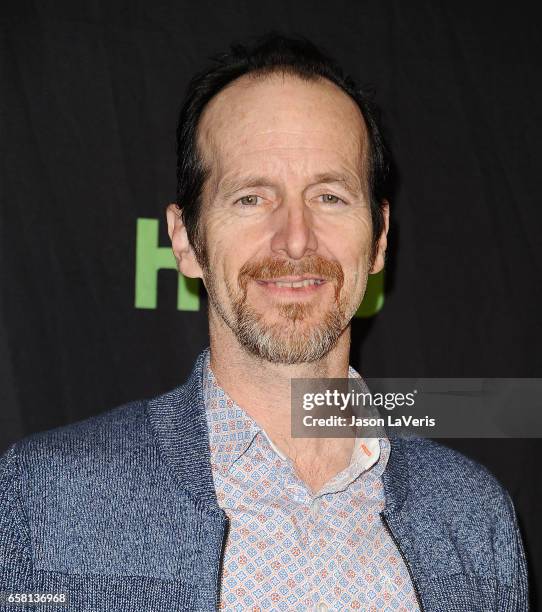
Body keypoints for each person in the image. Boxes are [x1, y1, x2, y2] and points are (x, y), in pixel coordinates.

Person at [0, 34, 528, 612]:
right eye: (251, 198)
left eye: (328, 196)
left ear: (378, 238)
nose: (296, 239)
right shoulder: (46, 495)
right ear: (185, 240)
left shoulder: (471, 515)